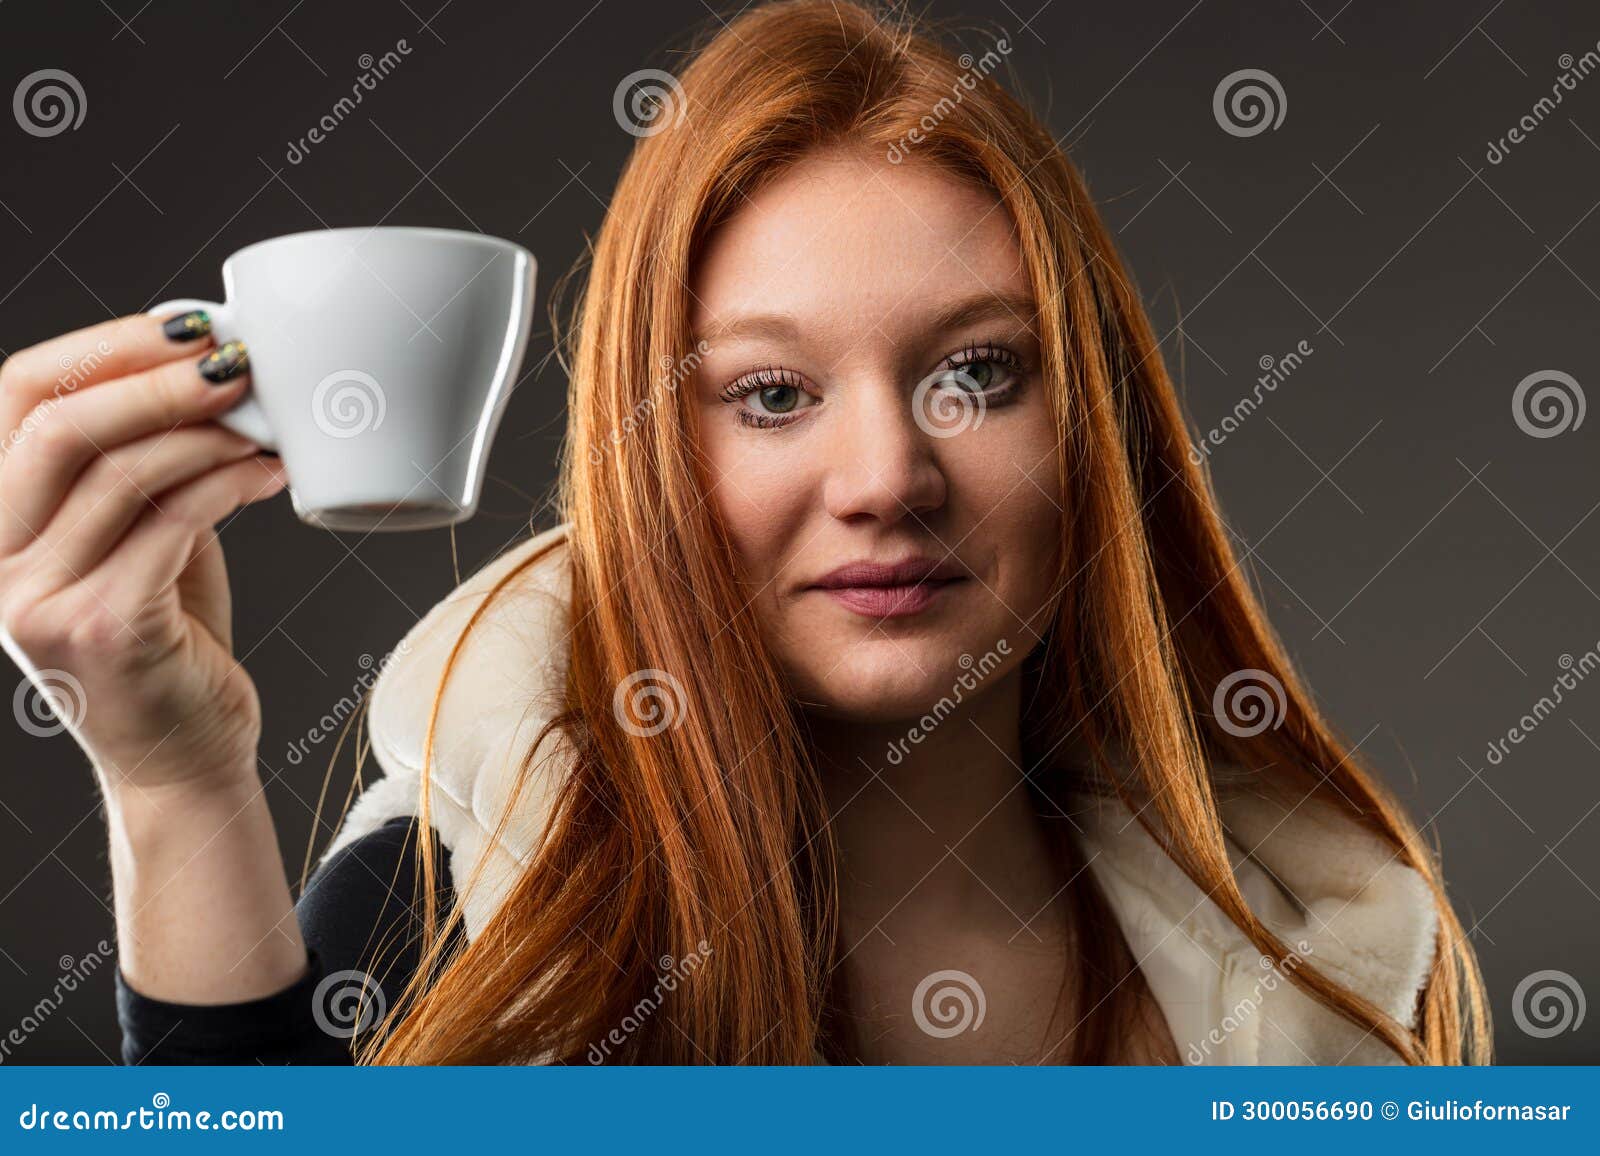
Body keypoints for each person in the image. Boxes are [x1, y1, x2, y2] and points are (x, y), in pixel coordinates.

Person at [0, 0, 1488, 1065]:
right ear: (654, 457)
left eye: (976, 372)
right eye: (771, 394)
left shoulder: (1334, 974)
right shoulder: (448, 919)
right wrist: (176, 784)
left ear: (1096, 423)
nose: (887, 476)